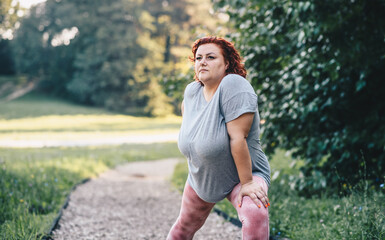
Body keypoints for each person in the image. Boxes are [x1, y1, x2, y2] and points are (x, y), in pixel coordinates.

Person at [167, 36, 271, 240]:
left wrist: (248, 183)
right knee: (182, 229)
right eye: (198, 58)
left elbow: (238, 138)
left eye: (211, 57)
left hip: (243, 174)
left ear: (227, 64)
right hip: (203, 176)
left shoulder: (234, 85)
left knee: (255, 212)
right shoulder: (191, 92)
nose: (202, 62)